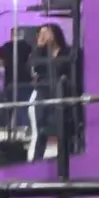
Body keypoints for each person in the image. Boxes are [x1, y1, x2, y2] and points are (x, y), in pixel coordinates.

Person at [29, 23, 73, 161]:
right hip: (44, 95)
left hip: (62, 95)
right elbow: (35, 66)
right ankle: (36, 161)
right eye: (41, 34)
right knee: (41, 131)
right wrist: (39, 46)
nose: (44, 36)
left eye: (46, 32)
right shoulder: (41, 53)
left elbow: (65, 69)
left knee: (63, 131)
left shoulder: (66, 52)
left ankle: (65, 160)